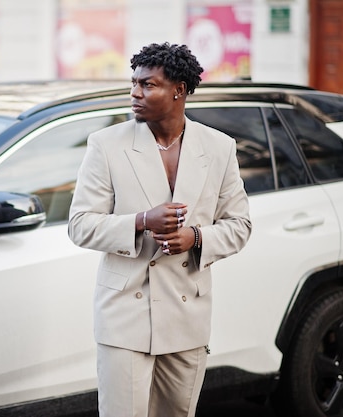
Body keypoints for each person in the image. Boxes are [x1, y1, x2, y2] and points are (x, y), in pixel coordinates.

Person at [68, 42, 252, 417]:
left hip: (187, 314)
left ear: (178, 90)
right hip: (124, 314)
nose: (135, 93)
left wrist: (196, 238)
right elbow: (80, 225)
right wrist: (141, 221)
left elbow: (240, 225)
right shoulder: (106, 145)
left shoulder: (218, 147)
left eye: (148, 85)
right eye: (133, 83)